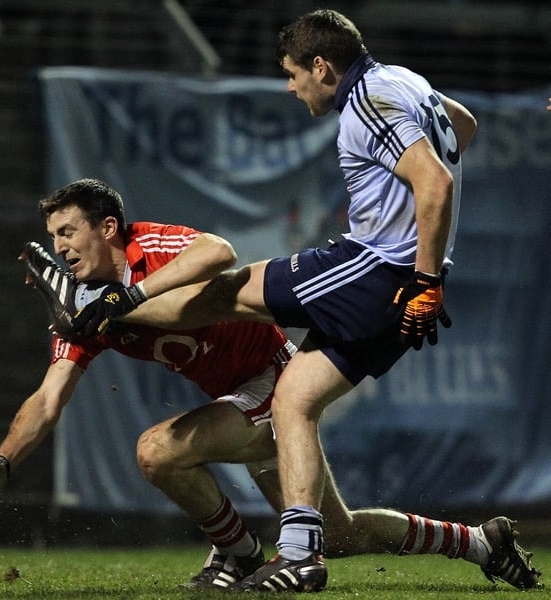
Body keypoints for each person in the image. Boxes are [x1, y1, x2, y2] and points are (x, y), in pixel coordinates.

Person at [66, 10, 528, 593]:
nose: (290, 87)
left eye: (292, 73)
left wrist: (424, 276)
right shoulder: (403, 80)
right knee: (294, 401)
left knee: (228, 291)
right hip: (396, 283)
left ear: (322, 66)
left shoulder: (366, 101)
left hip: (374, 271)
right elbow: (461, 126)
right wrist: (416, 246)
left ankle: (113, 304)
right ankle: (459, 544)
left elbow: (435, 181)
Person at [0, 179, 540, 590]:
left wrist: (127, 298)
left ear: (107, 227)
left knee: (157, 451)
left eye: (68, 231)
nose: (59, 247)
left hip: (274, 379)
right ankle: (478, 542)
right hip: (240, 398)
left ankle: (238, 553)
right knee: (338, 535)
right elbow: (49, 397)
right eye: (53, 237)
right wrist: (3, 462)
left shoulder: (145, 249)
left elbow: (220, 251)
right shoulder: (87, 311)